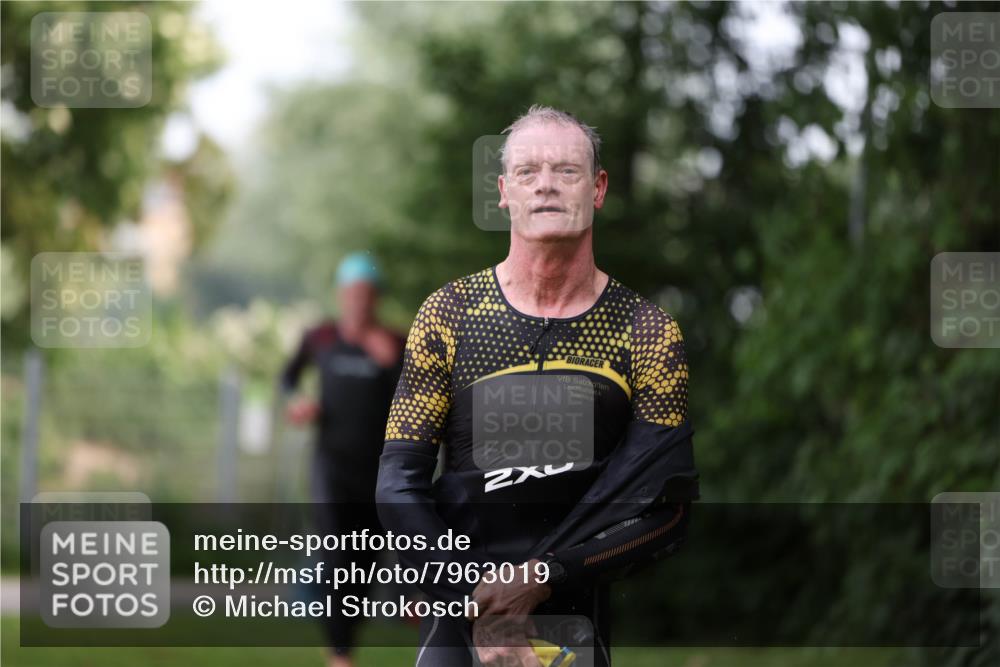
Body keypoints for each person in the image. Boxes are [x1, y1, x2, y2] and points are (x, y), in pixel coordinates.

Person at [376, 106, 699, 666]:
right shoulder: (449, 316)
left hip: (572, 619)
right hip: (459, 621)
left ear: (597, 189)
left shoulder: (645, 331)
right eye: (527, 171)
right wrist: (472, 602)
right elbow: (397, 485)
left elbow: (667, 511)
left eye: (566, 170)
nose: (545, 184)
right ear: (504, 191)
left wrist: (543, 577)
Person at [281, 252, 405, 667]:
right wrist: (297, 402)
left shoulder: (394, 343)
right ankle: (340, 654)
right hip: (330, 468)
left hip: (377, 472)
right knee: (336, 556)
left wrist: (393, 367)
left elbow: (420, 399)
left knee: (367, 562)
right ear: (341, 295)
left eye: (367, 295)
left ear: (377, 298)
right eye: (352, 294)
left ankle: (344, 639)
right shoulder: (320, 338)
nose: (359, 302)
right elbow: (287, 378)